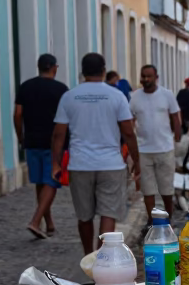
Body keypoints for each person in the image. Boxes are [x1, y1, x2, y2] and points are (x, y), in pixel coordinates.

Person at [51, 52, 141, 256]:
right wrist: (136, 159)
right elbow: (128, 132)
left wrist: (56, 164)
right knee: (108, 214)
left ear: (82, 72)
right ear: (103, 70)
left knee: (84, 216)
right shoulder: (117, 95)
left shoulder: (69, 96)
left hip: (80, 164)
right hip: (111, 164)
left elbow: (58, 134)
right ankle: (102, 260)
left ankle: (87, 255)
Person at [13, 53, 68, 239]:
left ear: (39, 67)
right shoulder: (61, 89)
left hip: (32, 141)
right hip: (54, 144)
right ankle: (36, 221)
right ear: (54, 68)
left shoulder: (25, 87)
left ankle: (49, 223)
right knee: (52, 181)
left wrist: (20, 136)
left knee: (40, 182)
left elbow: (18, 114)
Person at [129, 64, 182, 224]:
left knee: (166, 188)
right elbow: (130, 121)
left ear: (156, 77)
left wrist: (177, 137)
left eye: (149, 76)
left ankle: (168, 217)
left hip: (165, 148)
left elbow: (175, 117)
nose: (145, 79)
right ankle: (152, 221)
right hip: (143, 150)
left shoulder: (167, 95)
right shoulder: (134, 97)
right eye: (143, 76)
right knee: (147, 189)